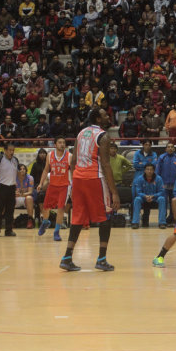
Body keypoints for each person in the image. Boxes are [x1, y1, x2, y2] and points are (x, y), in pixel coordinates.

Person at [59, 108, 120, 272]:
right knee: (105, 216)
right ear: (98, 119)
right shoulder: (103, 136)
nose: (108, 116)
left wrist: (74, 181)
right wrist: (114, 192)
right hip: (94, 178)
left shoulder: (80, 133)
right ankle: (101, 259)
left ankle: (67, 257)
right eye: (105, 115)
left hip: (78, 178)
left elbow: (73, 162)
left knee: (77, 218)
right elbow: (106, 164)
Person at [37, 137, 72, 242]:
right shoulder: (50, 155)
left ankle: (56, 232)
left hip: (65, 186)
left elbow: (74, 172)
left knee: (60, 208)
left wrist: (74, 187)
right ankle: (45, 222)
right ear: (55, 144)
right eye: (60, 142)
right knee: (46, 207)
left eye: (63, 143)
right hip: (52, 185)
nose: (62, 144)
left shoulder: (70, 156)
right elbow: (46, 169)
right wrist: (41, 183)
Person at [0, 142, 19, 237]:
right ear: (5, 150)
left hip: (12, 187)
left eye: (13, 150)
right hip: (2, 187)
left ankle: (8, 230)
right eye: (10, 150)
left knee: (10, 210)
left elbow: (17, 174)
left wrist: (18, 187)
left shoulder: (15, 160)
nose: (12, 152)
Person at [131, 164, 166, 229]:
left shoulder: (158, 179)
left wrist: (153, 196)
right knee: (137, 199)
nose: (149, 171)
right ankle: (135, 222)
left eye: (151, 169)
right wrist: (145, 196)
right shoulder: (139, 179)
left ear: (154, 171)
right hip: (143, 198)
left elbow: (161, 191)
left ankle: (162, 223)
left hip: (155, 198)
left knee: (162, 199)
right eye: (147, 169)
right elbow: (138, 192)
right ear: (144, 170)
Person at [156, 143, 176, 224]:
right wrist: (158, 183)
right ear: (166, 149)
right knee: (163, 203)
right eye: (168, 147)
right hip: (163, 185)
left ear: (174, 149)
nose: (170, 148)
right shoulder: (162, 157)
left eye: (172, 147)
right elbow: (157, 171)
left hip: (174, 185)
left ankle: (172, 218)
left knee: (173, 203)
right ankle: (162, 220)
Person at [15, 164, 35, 229]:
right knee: (10, 198)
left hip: (25, 198)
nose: (22, 170)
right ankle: (10, 221)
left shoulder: (30, 178)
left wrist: (22, 194)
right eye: (20, 169)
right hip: (16, 198)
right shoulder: (13, 178)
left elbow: (30, 192)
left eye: (24, 169)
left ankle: (30, 220)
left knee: (29, 198)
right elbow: (11, 191)